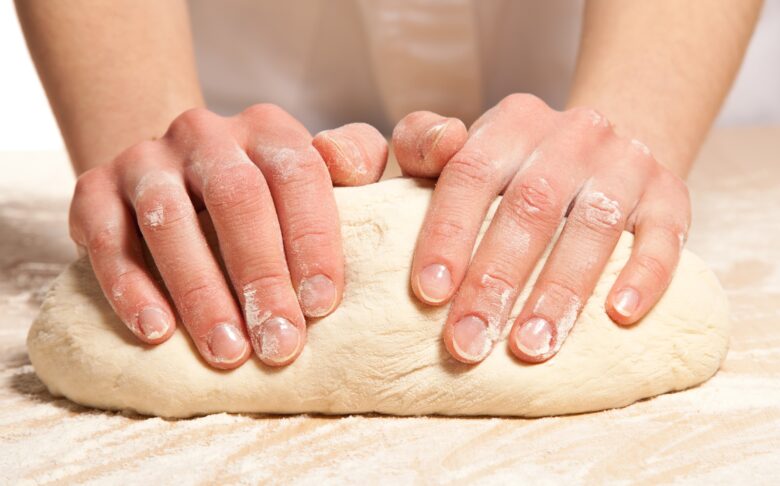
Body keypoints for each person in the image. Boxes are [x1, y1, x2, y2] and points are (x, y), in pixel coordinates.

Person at [16, 0, 761, 369]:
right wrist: (155, 158)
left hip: (627, 62)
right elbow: (168, 185)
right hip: (234, 105)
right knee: (193, 255)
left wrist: (625, 140)